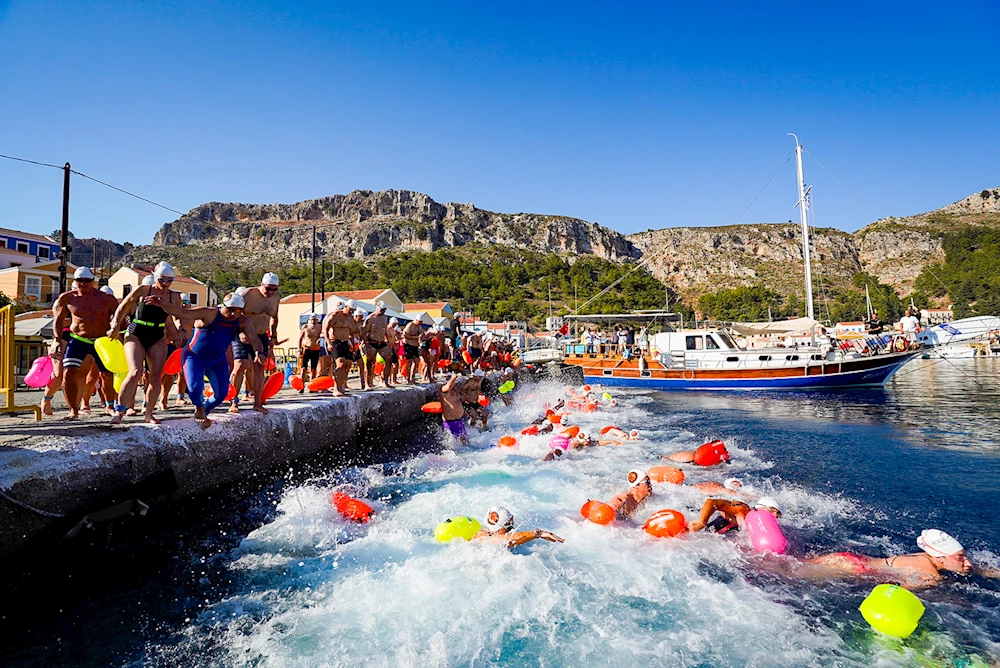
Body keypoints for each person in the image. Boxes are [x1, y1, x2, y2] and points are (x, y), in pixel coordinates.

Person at [148, 292, 263, 429]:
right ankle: (200, 407)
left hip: (217, 361)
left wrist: (259, 353)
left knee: (221, 395)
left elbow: (255, 340)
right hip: (194, 357)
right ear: (223, 306)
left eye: (237, 311)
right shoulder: (210, 314)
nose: (233, 314)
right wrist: (163, 303)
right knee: (194, 387)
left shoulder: (243, 321)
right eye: (230, 309)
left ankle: (203, 411)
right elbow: (183, 312)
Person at [798, 529, 999, 589]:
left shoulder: (934, 558)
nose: (968, 563)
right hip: (853, 567)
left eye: (965, 556)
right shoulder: (927, 566)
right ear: (941, 557)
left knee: (796, 564)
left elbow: (979, 569)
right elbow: (919, 585)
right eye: (960, 558)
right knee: (789, 573)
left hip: (853, 560)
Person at [107, 262, 179, 424]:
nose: (165, 284)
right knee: (135, 372)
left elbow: (172, 317)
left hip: (158, 335)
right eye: (162, 280)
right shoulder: (143, 290)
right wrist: (115, 326)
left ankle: (148, 413)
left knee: (155, 376)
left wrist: (176, 334)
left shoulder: (173, 296)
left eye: (169, 280)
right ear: (155, 278)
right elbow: (123, 307)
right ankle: (119, 411)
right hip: (136, 333)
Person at [52, 267, 119, 420]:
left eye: (87, 280)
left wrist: (117, 331)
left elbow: (118, 318)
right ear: (74, 281)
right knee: (68, 373)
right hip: (78, 339)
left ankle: (109, 405)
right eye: (80, 280)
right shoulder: (67, 298)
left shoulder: (106, 299)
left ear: (93, 281)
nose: (83, 283)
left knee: (106, 374)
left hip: (101, 341)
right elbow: (58, 321)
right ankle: (73, 410)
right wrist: (57, 339)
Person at [228, 274, 279, 414]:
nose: (271, 292)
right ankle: (234, 401)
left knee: (259, 367)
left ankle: (257, 403)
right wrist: (239, 332)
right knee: (240, 366)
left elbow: (274, 317)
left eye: (274, 289)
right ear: (261, 284)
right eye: (268, 289)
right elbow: (233, 313)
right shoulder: (248, 294)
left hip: (261, 335)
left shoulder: (275, 298)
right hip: (243, 334)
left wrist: (274, 336)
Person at [472, 506, 564, 548]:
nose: (511, 528)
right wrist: (538, 533)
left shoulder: (486, 533)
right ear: (499, 527)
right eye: (509, 525)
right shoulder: (483, 538)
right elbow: (508, 540)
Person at [322, 299, 360, 396]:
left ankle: (341, 386)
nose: (351, 312)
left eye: (353, 310)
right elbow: (325, 329)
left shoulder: (350, 319)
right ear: (346, 307)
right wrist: (328, 343)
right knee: (340, 364)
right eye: (350, 309)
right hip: (335, 342)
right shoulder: (335, 315)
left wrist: (353, 346)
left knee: (348, 364)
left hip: (345, 343)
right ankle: (336, 388)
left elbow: (351, 334)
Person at [688, 496, 781, 534]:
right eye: (773, 510)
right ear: (761, 506)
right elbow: (712, 502)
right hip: (702, 533)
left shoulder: (764, 528)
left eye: (778, 514)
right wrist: (702, 522)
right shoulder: (744, 510)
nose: (775, 515)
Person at [361, 301, 392, 388]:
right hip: (372, 342)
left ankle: (385, 380)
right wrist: (366, 344)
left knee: (389, 360)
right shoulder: (371, 318)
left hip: (382, 342)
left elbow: (384, 330)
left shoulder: (385, 318)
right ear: (378, 308)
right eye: (382, 310)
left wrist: (387, 340)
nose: (383, 312)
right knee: (370, 363)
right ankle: (367, 383)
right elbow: (364, 332)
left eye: (385, 310)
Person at [439, 372, 468, 444]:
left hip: (459, 420)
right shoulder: (443, 390)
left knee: (465, 440)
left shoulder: (455, 391)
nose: (455, 384)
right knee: (455, 442)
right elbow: (448, 387)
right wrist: (453, 377)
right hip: (450, 421)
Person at [298, 315, 323, 391]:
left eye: (315, 320)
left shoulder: (320, 327)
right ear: (310, 319)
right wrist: (299, 350)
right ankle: (301, 386)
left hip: (315, 349)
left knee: (313, 369)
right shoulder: (306, 327)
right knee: (303, 368)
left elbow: (323, 335)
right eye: (312, 319)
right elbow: (300, 338)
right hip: (307, 348)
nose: (314, 321)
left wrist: (320, 339)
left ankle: (312, 387)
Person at [401, 318, 423, 384]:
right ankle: (407, 377)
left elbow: (421, 333)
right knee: (409, 362)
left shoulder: (419, 326)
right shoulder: (410, 325)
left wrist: (422, 335)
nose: (420, 323)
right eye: (419, 322)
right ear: (416, 320)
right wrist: (415, 337)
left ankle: (412, 377)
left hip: (415, 345)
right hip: (408, 344)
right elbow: (405, 335)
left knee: (416, 361)